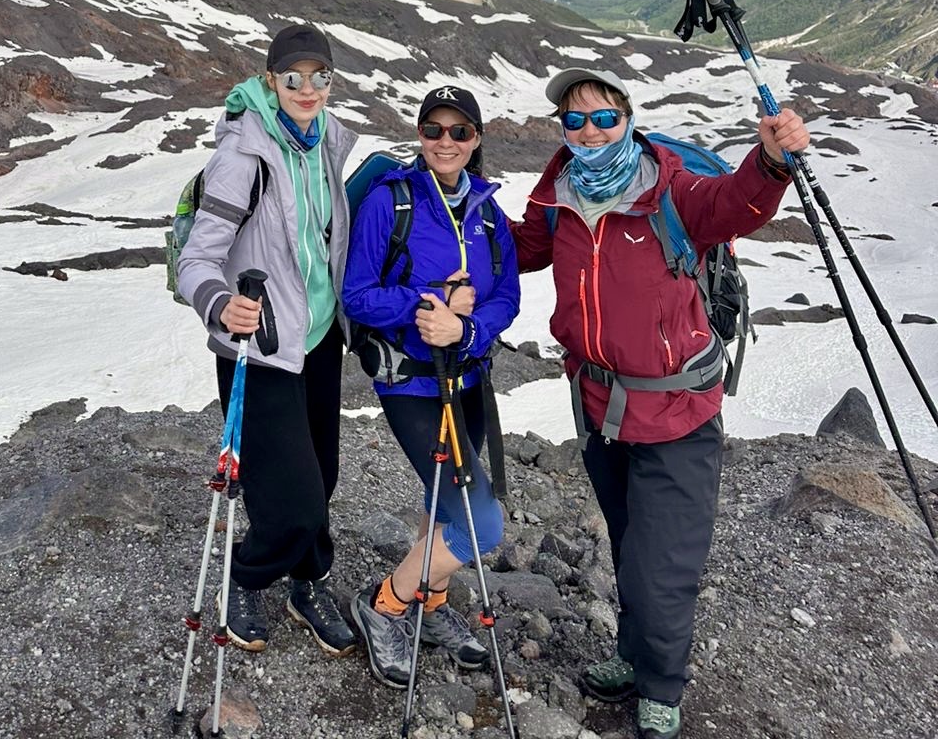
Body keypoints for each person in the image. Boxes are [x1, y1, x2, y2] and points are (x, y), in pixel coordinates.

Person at [511, 67, 811, 739]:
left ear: (629, 119)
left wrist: (769, 159)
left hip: (677, 414)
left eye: (603, 117)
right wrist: (447, 220)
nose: (588, 131)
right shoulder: (558, 194)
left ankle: (662, 690)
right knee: (627, 543)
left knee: (662, 567)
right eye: (575, 121)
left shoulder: (668, 185)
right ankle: (631, 654)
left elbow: (735, 204)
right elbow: (520, 248)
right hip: (598, 406)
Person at [176, 22, 358, 657]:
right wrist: (222, 305)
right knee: (296, 501)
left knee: (323, 476)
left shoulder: (328, 144)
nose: (307, 88)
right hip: (259, 347)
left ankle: (308, 584)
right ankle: (243, 579)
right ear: (269, 80)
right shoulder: (241, 158)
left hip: (317, 342)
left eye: (319, 77)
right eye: (293, 77)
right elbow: (194, 262)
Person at [342, 85, 521, 688]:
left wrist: (467, 327)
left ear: (476, 141)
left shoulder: (489, 212)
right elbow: (357, 294)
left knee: (440, 500)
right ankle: (386, 605)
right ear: (420, 135)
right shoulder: (391, 203)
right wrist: (429, 304)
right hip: (412, 383)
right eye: (433, 130)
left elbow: (506, 298)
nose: (446, 142)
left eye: (460, 132)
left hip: (467, 379)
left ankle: (433, 603)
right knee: (481, 523)